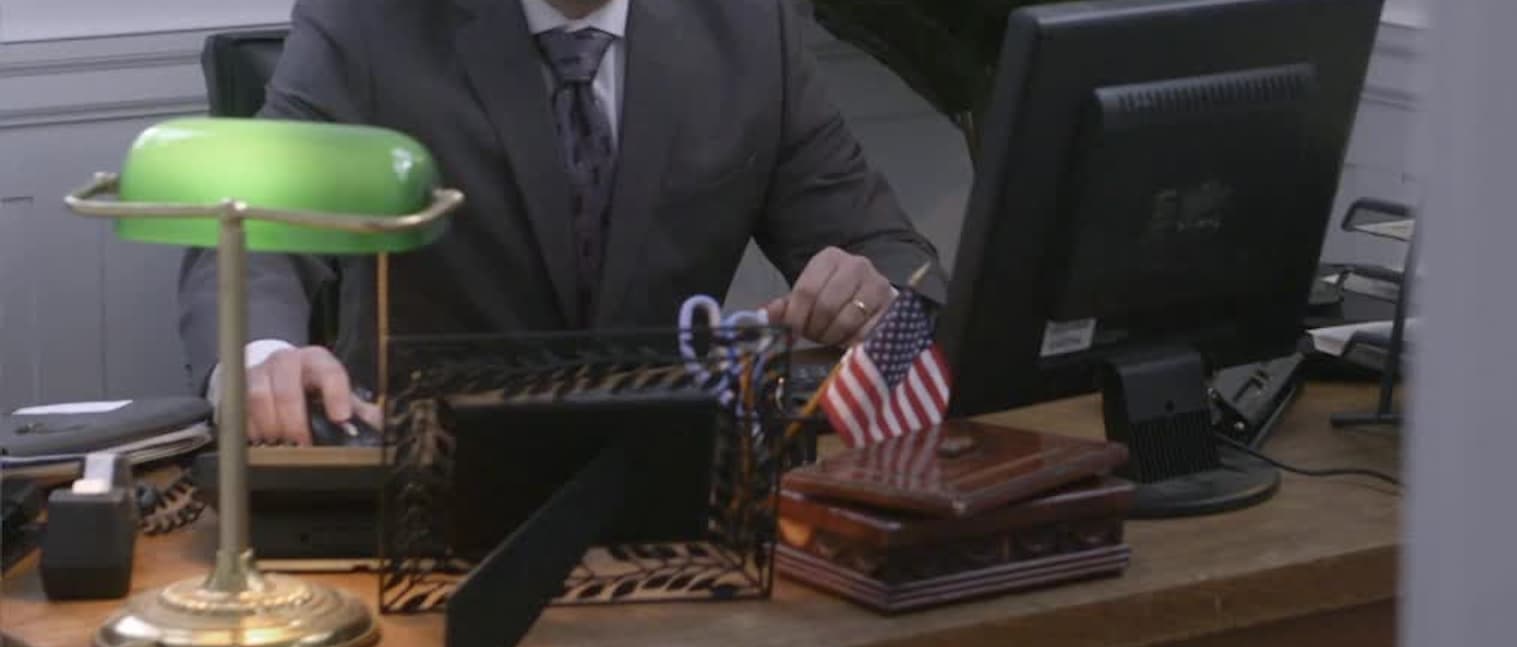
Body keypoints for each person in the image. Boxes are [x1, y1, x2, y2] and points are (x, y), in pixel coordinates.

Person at [177, 0, 944, 445]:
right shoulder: (374, 22)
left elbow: (893, 257)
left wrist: (867, 297)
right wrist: (261, 359)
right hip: (424, 481)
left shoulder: (747, 27)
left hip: (667, 491)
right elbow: (246, 226)